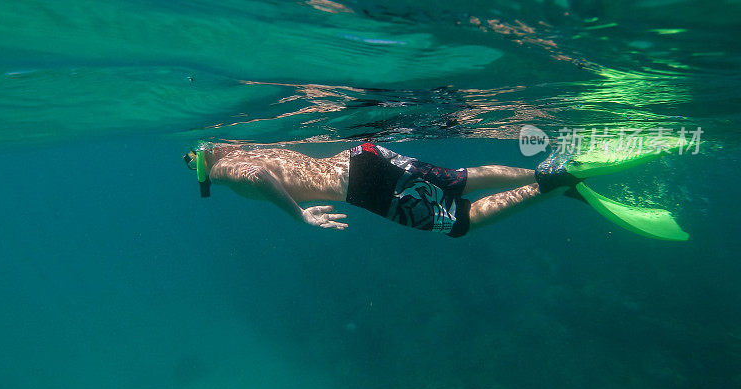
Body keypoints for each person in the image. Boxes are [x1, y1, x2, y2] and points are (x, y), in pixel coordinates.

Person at [183, 142, 571, 237]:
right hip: (361, 156)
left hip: (359, 185)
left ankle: (551, 185)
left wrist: (299, 215)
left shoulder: (222, 168)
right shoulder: (248, 147)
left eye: (193, 161)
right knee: (456, 179)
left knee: (460, 220)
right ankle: (541, 173)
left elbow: (256, 178)